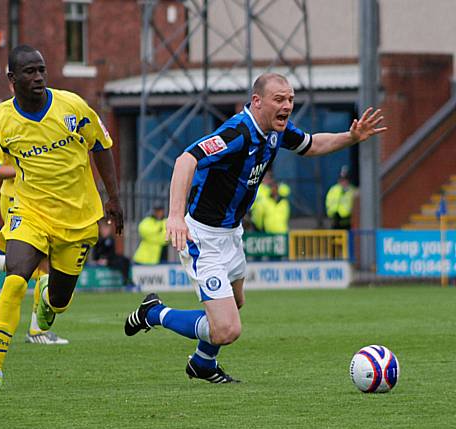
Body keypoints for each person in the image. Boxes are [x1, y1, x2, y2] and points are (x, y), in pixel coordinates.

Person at [124, 72, 386, 383]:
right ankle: (154, 312)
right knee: (227, 328)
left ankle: (203, 363)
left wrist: (351, 137)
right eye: (279, 99)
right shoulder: (237, 133)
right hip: (203, 237)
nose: (287, 105)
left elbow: (312, 144)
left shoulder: (275, 131)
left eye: (290, 99)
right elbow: (185, 160)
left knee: (236, 302)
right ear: (257, 101)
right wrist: (175, 215)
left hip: (232, 233)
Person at [0, 45, 123, 393]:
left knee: (59, 300)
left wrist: (114, 198)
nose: (39, 77)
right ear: (12, 79)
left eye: (42, 70)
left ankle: (47, 304)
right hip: (29, 212)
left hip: (78, 217)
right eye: (30, 72)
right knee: (16, 277)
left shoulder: (72, 107)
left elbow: (101, 145)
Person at [0, 149, 69, 345]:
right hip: (16, 201)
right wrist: (29, 169)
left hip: (38, 200)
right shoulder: (9, 126)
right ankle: (37, 331)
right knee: (46, 263)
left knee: (37, 264)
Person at [92, 218, 134, 288]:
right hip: (103, 261)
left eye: (107, 229)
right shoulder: (97, 240)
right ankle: (126, 281)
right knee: (120, 262)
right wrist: (98, 260)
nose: (106, 231)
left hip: (110, 259)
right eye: (104, 229)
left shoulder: (110, 239)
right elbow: (95, 254)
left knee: (125, 260)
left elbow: (112, 253)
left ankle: (127, 280)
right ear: (100, 230)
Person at [250, 169, 290, 233]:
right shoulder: (258, 189)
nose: (267, 179)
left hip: (281, 231)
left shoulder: (282, 201)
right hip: (258, 222)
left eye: (269, 177)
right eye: (265, 177)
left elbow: (286, 191)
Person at [325, 166, 356, 230]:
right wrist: (332, 213)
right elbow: (328, 204)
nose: (343, 182)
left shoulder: (353, 191)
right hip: (335, 222)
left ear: (349, 180)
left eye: (345, 179)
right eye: (341, 179)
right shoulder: (333, 190)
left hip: (348, 223)